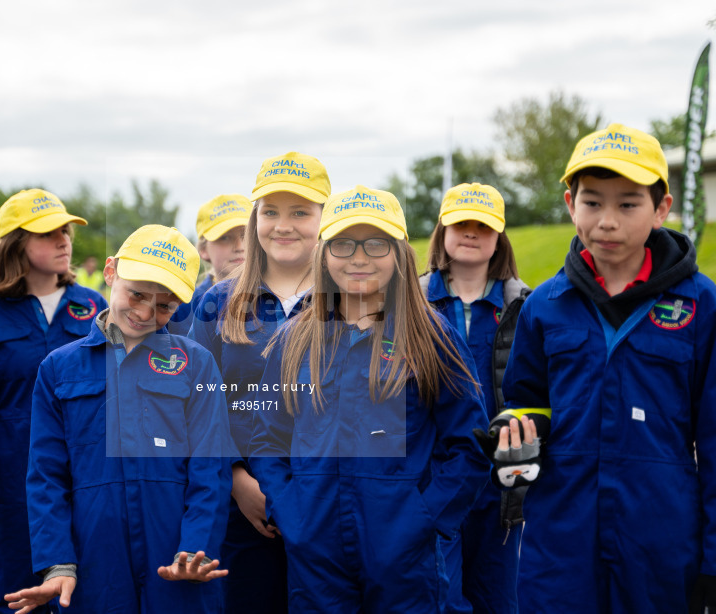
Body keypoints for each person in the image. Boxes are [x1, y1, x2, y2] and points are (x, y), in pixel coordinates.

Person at [500, 123, 716, 613]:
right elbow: (525, 401)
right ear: (570, 204)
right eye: (592, 202)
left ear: (662, 208)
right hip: (560, 545)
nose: (608, 222)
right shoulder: (544, 307)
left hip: (660, 546)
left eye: (628, 203)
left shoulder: (702, 305)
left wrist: (713, 558)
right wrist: (515, 443)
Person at [248, 185, 490, 613]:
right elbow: (267, 439)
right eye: (342, 244)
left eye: (376, 243)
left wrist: (423, 519)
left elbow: (469, 446)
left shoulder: (431, 336)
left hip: (404, 556)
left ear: (399, 253)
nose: (359, 257)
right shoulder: (294, 340)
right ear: (324, 253)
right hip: (315, 553)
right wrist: (290, 510)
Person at [4, 225, 232, 613]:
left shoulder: (196, 365)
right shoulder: (59, 369)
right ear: (111, 272)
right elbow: (45, 475)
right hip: (95, 558)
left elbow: (211, 468)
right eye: (137, 294)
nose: (145, 313)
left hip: (176, 559)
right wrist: (58, 562)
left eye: (164, 306)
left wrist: (196, 547)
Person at [189, 151, 331, 614]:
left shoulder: (351, 297)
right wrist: (235, 478)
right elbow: (198, 402)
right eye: (270, 211)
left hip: (329, 499)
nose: (283, 225)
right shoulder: (219, 302)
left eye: (300, 212)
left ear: (325, 219)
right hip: (243, 510)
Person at [0, 189, 106, 614]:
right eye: (48, 233)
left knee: (87, 578)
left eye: (66, 231)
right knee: (14, 581)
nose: (64, 241)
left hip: (86, 465)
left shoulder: (93, 306)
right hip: (12, 471)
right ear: (16, 245)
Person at [420, 183, 528, 614]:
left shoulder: (526, 306)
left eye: (482, 225)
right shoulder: (408, 302)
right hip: (432, 477)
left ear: (499, 235)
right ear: (442, 230)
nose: (470, 231)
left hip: (501, 481)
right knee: (437, 595)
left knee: (499, 596)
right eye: (461, 222)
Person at [168, 193, 251, 335]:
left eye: (246, 235)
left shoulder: (283, 300)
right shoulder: (180, 310)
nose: (239, 246)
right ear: (203, 250)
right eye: (224, 238)